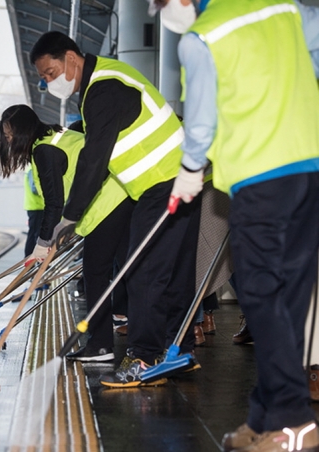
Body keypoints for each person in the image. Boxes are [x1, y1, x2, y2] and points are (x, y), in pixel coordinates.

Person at [149, 0, 319, 449]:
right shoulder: (284, 8)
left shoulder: (203, 36)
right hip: (310, 167)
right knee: (290, 295)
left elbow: (201, 123)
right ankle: (265, 414)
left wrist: (188, 171)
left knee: (261, 295)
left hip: (261, 176)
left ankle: (292, 421)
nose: (166, 14)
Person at [29, 31, 202, 388]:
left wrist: (70, 218)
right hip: (179, 180)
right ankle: (177, 351)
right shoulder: (109, 78)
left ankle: (144, 357)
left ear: (71, 59)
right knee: (175, 271)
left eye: (49, 73)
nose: (48, 83)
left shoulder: (103, 89)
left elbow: (95, 161)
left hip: (163, 184)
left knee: (143, 270)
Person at [0, 104, 130, 362]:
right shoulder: (55, 137)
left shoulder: (44, 151)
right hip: (119, 199)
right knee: (131, 271)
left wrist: (42, 244)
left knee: (96, 274)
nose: (9, 141)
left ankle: (101, 346)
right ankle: (153, 341)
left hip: (106, 206)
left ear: (24, 131)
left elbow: (53, 204)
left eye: (10, 135)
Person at [23, 167, 45, 257]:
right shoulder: (33, 169)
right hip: (36, 206)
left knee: (33, 234)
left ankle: (30, 259)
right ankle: (30, 259)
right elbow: (34, 189)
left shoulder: (31, 169)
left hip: (36, 206)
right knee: (34, 235)